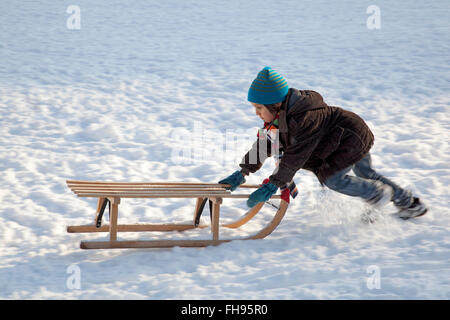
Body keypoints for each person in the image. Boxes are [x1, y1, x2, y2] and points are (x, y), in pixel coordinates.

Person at [218, 66, 427, 219]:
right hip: (345, 134)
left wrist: (274, 184)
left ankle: (376, 194)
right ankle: (408, 203)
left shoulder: (303, 120)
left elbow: (295, 157)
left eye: (259, 108)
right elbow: (265, 144)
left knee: (333, 178)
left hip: (349, 138)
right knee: (367, 174)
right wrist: (243, 172)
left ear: (276, 104)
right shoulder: (277, 119)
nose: (256, 113)